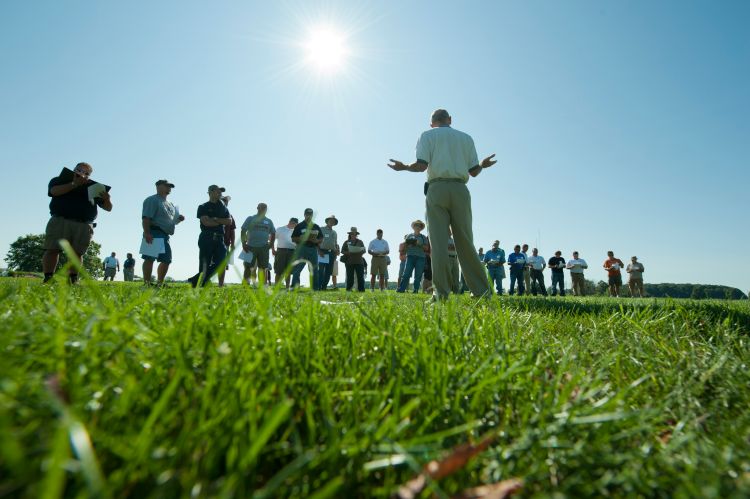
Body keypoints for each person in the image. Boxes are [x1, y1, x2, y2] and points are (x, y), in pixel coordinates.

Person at [388, 109, 496, 301]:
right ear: (450, 120)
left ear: (431, 123)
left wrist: (403, 166)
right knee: (465, 241)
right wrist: (483, 164)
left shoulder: (427, 135)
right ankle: (481, 291)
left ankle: (441, 293)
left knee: (438, 243)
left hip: (437, 188)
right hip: (460, 190)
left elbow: (421, 165)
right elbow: (474, 172)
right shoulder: (466, 138)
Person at [42, 162, 113, 283]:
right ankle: (48, 278)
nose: (82, 174)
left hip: (84, 224)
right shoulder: (59, 180)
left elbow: (108, 208)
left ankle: (73, 279)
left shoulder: (94, 187)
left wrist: (107, 199)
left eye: (86, 173)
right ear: (74, 169)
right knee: (52, 249)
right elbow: (54, 191)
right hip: (60, 220)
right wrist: (74, 184)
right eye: (80, 170)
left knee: (77, 253)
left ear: (89, 176)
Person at [188, 185, 233, 287]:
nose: (220, 194)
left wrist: (215, 219)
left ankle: (194, 280)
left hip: (220, 238)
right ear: (211, 192)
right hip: (206, 237)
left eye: (221, 192)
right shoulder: (203, 207)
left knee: (221, 263)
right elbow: (206, 223)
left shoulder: (223, 208)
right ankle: (200, 284)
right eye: (218, 191)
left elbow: (229, 221)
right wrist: (221, 221)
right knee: (204, 263)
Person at [142, 179, 184, 286]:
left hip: (165, 234)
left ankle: (160, 283)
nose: (169, 188)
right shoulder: (152, 200)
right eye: (166, 186)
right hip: (154, 231)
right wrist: (147, 233)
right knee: (149, 257)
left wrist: (178, 219)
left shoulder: (170, 204)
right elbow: (146, 218)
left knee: (166, 260)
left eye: (170, 186)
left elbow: (171, 221)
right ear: (158, 186)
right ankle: (146, 283)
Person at [240, 203, 276, 286]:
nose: (263, 209)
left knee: (263, 268)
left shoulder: (269, 221)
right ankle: (246, 285)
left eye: (265, 208)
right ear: (257, 208)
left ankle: (262, 286)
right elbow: (243, 231)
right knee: (248, 267)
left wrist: (271, 244)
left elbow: (273, 233)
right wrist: (243, 243)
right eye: (261, 207)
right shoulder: (250, 218)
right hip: (250, 246)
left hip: (264, 247)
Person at [291, 208, 322, 289]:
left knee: (314, 269)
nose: (309, 216)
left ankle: (315, 288)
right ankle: (295, 287)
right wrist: (303, 238)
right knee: (297, 269)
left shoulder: (316, 226)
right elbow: (293, 238)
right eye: (307, 214)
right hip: (301, 249)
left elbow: (321, 238)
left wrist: (317, 240)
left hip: (313, 249)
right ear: (304, 215)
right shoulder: (299, 226)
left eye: (310, 214)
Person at [396, 220, 430, 293]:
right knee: (406, 274)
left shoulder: (423, 237)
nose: (417, 227)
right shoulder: (409, 236)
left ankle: (415, 290)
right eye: (416, 225)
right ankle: (401, 289)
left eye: (419, 226)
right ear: (413, 227)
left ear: (421, 228)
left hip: (420, 257)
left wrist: (418, 244)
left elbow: (427, 248)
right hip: (410, 256)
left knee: (418, 275)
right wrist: (407, 245)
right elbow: (404, 247)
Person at [273, 217, 298, 289]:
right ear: (290, 222)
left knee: (289, 271)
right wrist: (273, 249)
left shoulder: (296, 231)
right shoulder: (280, 229)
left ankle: (287, 287)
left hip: (292, 252)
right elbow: (272, 238)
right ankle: (276, 287)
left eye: (296, 224)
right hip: (281, 251)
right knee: (278, 271)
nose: (295, 225)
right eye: (294, 223)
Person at [218, 195, 236, 287]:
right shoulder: (214, 212)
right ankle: (204, 282)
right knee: (210, 263)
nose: (226, 202)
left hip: (225, 243)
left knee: (223, 264)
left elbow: (232, 231)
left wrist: (233, 244)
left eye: (227, 201)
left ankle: (220, 284)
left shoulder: (230, 216)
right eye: (224, 200)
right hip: (213, 240)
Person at [342, 227, 366, 292]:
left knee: (360, 277)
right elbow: (342, 251)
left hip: (359, 262)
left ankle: (361, 290)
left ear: (356, 234)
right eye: (352, 234)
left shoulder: (360, 242)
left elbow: (364, 250)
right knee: (350, 277)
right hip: (349, 262)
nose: (353, 235)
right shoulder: (346, 242)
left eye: (355, 234)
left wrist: (360, 251)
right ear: (350, 234)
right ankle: (349, 290)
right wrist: (348, 252)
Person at [318, 215, 339, 290]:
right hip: (322, 252)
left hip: (331, 253)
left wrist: (336, 251)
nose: (332, 222)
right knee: (320, 271)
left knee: (328, 272)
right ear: (327, 221)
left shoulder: (334, 232)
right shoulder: (321, 229)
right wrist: (319, 251)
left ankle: (324, 287)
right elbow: (316, 241)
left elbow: (335, 243)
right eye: (330, 220)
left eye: (333, 221)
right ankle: (318, 286)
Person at [446, 229, 460, 294]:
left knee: (456, 276)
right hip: (448, 258)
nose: (450, 232)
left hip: (455, 259)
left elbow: (458, 248)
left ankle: (456, 292)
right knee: (447, 276)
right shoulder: (444, 239)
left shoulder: (454, 240)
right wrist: (453, 247)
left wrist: (452, 247)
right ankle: (446, 291)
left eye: (450, 231)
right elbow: (446, 247)